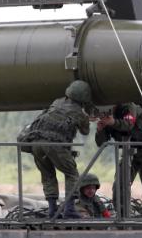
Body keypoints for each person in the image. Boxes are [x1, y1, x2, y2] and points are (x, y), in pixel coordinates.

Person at [27, 80, 94, 218]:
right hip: (54, 144)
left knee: (48, 175)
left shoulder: (57, 102)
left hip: (35, 142)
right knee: (71, 174)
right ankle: (69, 209)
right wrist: (87, 117)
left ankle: (52, 211)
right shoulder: (79, 113)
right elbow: (85, 131)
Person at [95, 103, 142, 217]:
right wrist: (100, 130)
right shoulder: (108, 116)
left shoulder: (129, 107)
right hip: (130, 152)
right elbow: (101, 143)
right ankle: (122, 218)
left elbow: (128, 125)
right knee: (119, 185)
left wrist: (112, 122)